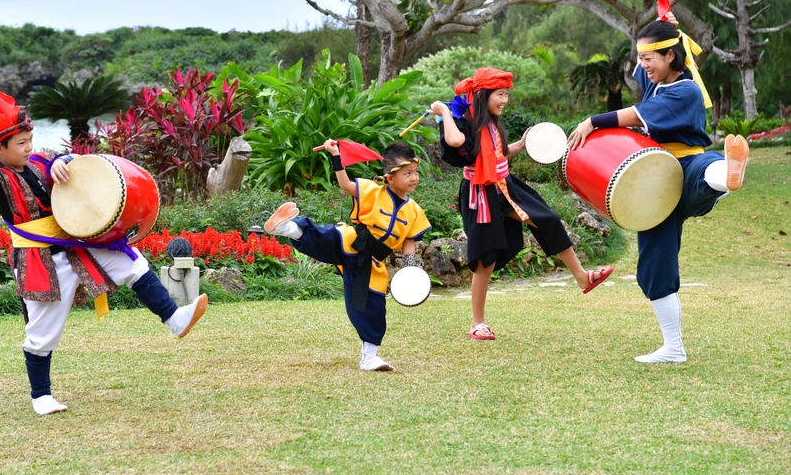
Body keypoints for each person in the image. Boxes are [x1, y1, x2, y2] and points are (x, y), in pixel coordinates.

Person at [0, 88, 208, 415]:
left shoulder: (38, 165)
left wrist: (63, 163)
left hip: (72, 249)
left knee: (131, 260)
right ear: (0, 148)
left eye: (30, 140)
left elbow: (69, 167)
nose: (29, 148)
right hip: (37, 262)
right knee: (42, 334)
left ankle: (174, 318)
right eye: (21, 143)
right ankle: (41, 397)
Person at [568, 19, 749, 363]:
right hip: (655, 185)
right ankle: (673, 348)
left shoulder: (686, 89)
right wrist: (663, 20)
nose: (643, 65)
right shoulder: (656, 82)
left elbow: (635, 116)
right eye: (642, 58)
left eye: (650, 58)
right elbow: (647, 61)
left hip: (683, 165)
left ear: (671, 56)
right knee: (654, 266)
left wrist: (593, 121)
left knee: (699, 173)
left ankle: (728, 174)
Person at [430, 68, 614, 341]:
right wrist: (443, 112)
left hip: (506, 185)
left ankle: (581, 277)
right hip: (480, 193)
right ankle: (477, 323)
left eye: (506, 95)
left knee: (547, 219)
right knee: (486, 257)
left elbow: (496, 153)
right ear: (482, 95)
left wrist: (522, 144)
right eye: (500, 94)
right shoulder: (464, 121)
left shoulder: (492, 121)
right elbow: (455, 142)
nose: (504, 100)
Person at [262, 141, 431, 372]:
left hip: (372, 264)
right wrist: (335, 155)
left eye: (415, 173)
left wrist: (411, 270)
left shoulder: (415, 211)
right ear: (390, 177)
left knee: (373, 307)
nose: (413, 178)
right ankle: (286, 228)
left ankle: (370, 358)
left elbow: (408, 243)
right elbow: (344, 183)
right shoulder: (372, 190)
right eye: (407, 173)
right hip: (354, 239)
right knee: (327, 237)